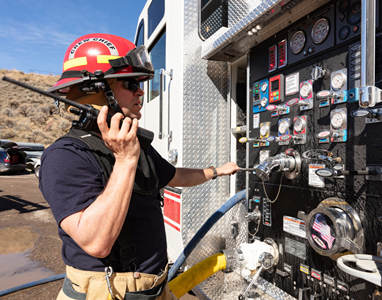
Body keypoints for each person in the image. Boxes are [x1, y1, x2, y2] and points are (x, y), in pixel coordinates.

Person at [38, 34, 240, 300]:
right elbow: (96, 241)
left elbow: (172, 175)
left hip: (154, 287)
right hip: (108, 292)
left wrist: (216, 171)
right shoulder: (65, 156)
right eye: (131, 83)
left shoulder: (134, 146)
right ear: (96, 91)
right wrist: (124, 160)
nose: (141, 91)